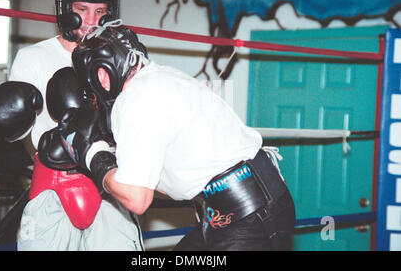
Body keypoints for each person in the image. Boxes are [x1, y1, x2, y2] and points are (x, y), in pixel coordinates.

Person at [39, 26, 296, 251]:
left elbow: (137, 199)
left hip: (247, 215)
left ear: (102, 75)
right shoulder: (162, 77)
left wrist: (93, 156)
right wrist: (115, 155)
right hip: (244, 206)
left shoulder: (134, 99)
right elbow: (167, 171)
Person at [6, 0, 143, 251]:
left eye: (100, 11)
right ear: (66, 10)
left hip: (109, 185)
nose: (92, 21)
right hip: (52, 184)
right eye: (82, 10)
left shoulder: (123, 59)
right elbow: (25, 132)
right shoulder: (33, 58)